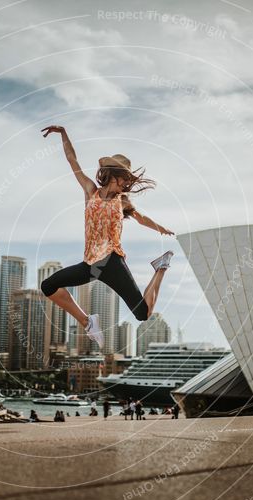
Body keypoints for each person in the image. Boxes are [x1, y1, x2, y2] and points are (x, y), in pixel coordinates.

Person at [39, 126, 175, 350]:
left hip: (112, 262)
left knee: (142, 313)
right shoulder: (90, 190)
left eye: (128, 180)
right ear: (115, 174)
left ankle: (160, 267)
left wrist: (160, 228)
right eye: (124, 178)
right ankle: (87, 321)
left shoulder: (122, 202)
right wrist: (63, 133)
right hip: (89, 264)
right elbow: (72, 160)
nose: (127, 183)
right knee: (48, 286)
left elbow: (141, 218)